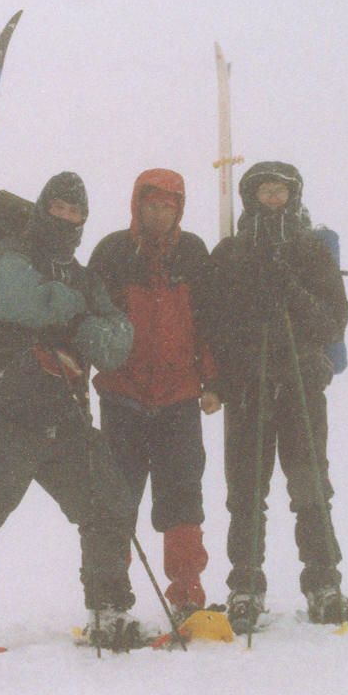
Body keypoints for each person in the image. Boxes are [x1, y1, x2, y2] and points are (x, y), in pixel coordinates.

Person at [0, 172, 145, 657]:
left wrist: (74, 316)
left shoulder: (82, 275)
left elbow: (116, 343)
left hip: (59, 411)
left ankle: (109, 610)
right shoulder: (9, 252)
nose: (66, 219)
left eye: (75, 212)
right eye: (59, 209)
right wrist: (79, 313)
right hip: (1, 404)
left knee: (108, 502)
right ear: (43, 209)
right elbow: (8, 299)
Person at [210, 161, 348, 633]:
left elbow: (332, 322)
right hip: (250, 386)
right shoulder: (231, 252)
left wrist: (290, 289)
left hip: (300, 383)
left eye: (280, 192)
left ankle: (323, 583)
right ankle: (245, 586)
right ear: (250, 197)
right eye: (264, 192)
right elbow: (216, 324)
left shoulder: (312, 250)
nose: (272, 199)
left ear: (293, 196)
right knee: (246, 492)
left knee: (311, 485)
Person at [87, 169, 221, 621]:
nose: (160, 212)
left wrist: (213, 382)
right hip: (122, 398)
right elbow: (89, 321)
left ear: (179, 208)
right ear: (137, 204)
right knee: (114, 500)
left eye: (169, 205)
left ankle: (187, 595)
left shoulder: (194, 253)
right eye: (152, 203)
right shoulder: (113, 251)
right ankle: (109, 601)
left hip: (179, 400)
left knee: (182, 498)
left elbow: (207, 323)